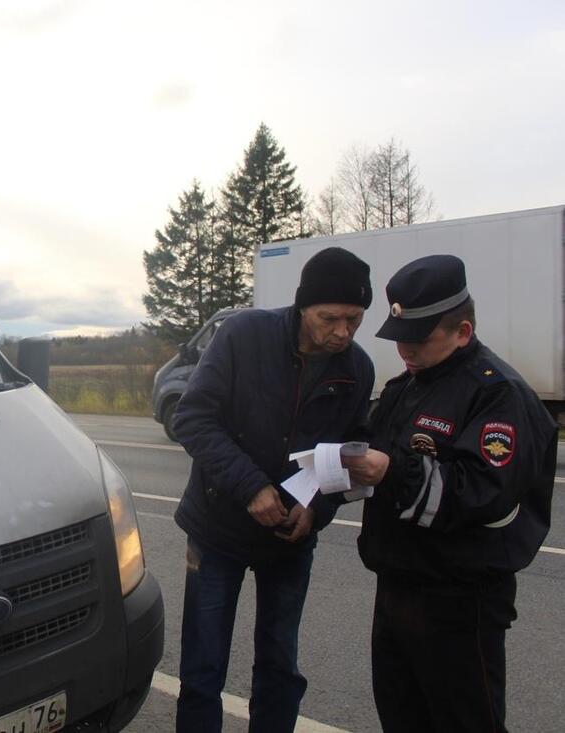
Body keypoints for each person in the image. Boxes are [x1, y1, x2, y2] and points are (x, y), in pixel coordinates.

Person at [344, 254, 555, 732]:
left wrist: (393, 472)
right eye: (398, 337)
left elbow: (484, 493)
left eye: (418, 338)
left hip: (458, 602)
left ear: (462, 331)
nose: (404, 350)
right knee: (402, 717)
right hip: (398, 588)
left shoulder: (497, 394)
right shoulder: (407, 387)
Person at [173, 246, 375, 732]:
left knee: (280, 665)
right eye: (330, 318)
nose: (342, 332)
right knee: (203, 667)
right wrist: (251, 488)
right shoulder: (244, 335)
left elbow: (348, 456)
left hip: (290, 540)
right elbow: (192, 419)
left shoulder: (357, 368)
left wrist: (318, 509)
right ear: (303, 305)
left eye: (354, 319)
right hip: (218, 530)